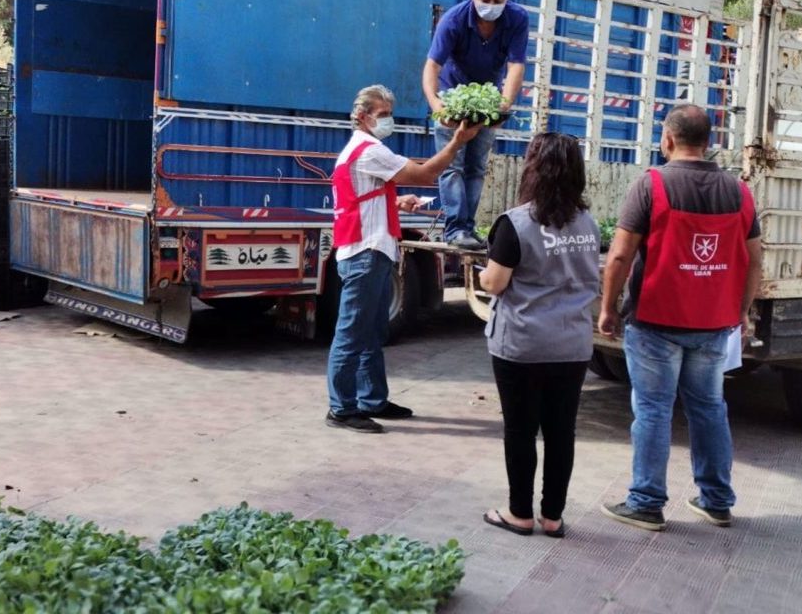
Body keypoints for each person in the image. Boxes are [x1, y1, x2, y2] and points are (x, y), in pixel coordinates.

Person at [598, 104, 762, 531]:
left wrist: (608, 308)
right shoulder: (740, 192)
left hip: (656, 321)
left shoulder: (651, 184)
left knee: (653, 409)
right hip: (713, 323)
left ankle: (646, 502)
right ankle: (716, 500)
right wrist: (741, 313)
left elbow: (619, 254)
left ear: (668, 139)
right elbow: (754, 261)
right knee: (709, 408)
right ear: (709, 143)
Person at [326, 84, 481, 434]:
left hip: (367, 249)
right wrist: (457, 142)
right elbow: (426, 174)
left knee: (371, 331)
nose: (388, 121)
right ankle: (341, 408)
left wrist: (396, 201)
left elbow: (360, 197)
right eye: (382, 115)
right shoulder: (369, 150)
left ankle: (372, 399)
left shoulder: (355, 152)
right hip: (366, 252)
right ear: (363, 117)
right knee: (353, 333)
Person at [479, 132, 599, 537]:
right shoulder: (589, 224)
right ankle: (553, 517)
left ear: (533, 169)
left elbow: (495, 284)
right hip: (572, 345)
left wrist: (482, 272)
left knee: (521, 429)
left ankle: (519, 513)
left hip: (522, 345)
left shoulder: (516, 223)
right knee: (561, 431)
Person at [422, 0, 529, 250]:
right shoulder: (454, 20)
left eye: (498, 0)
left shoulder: (517, 18)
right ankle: (455, 228)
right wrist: (437, 105)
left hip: (487, 98)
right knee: (452, 164)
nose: (491, 5)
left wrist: (503, 106)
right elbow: (432, 66)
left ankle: (467, 229)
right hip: (454, 96)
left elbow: (516, 65)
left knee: (477, 167)